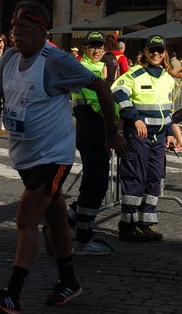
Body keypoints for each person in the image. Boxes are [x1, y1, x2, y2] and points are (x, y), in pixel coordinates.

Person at [0, 1, 126, 313]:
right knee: (57, 218)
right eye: (14, 27)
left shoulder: (57, 61)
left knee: (26, 219)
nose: (16, 33)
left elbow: (101, 87)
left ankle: (12, 293)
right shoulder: (8, 58)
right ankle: (69, 280)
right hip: (25, 156)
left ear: (43, 31)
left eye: (24, 28)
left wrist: (111, 131)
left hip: (53, 156)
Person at [111, 34, 175, 242]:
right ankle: (128, 225)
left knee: (154, 178)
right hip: (139, 135)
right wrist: (134, 118)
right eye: (152, 50)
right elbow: (118, 92)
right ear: (145, 53)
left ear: (164, 53)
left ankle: (146, 222)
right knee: (134, 177)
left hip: (159, 137)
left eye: (160, 50)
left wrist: (171, 133)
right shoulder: (135, 74)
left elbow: (169, 108)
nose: (156, 53)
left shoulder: (167, 78)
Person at [67, 30, 113, 256]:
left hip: (89, 131)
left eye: (100, 47)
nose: (96, 50)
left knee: (92, 183)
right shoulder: (89, 70)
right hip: (94, 130)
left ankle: (62, 226)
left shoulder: (90, 69)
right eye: (92, 46)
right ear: (85, 48)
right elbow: (99, 105)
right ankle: (83, 239)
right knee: (96, 186)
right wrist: (119, 122)